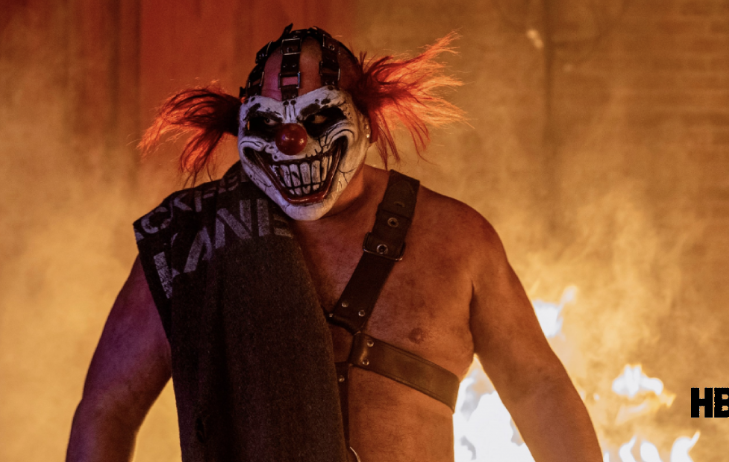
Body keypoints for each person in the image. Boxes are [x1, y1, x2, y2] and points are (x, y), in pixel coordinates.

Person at [66, 25, 603, 462]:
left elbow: (537, 388)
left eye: (319, 116)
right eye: (269, 123)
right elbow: (107, 409)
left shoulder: (457, 239)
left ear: (364, 119)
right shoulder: (195, 242)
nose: (291, 141)